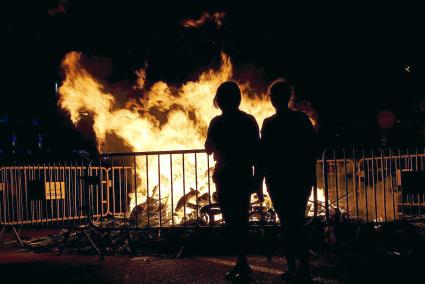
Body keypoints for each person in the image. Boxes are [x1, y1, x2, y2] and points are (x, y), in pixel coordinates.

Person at [260, 79, 317, 283]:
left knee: (287, 223)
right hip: (299, 178)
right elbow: (312, 148)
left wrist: (260, 182)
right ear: (289, 97)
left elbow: (264, 155)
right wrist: (310, 175)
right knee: (298, 222)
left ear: (273, 99)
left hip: (278, 180)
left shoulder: (269, 123)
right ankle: (304, 268)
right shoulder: (301, 119)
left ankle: (292, 267)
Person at [205, 81, 261, 281]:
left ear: (219, 100)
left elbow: (208, 148)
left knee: (231, 219)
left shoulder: (217, 123)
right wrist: (258, 180)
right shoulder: (249, 120)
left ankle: (241, 262)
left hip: (225, 175)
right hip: (243, 174)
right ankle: (242, 261)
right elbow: (257, 151)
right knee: (242, 218)